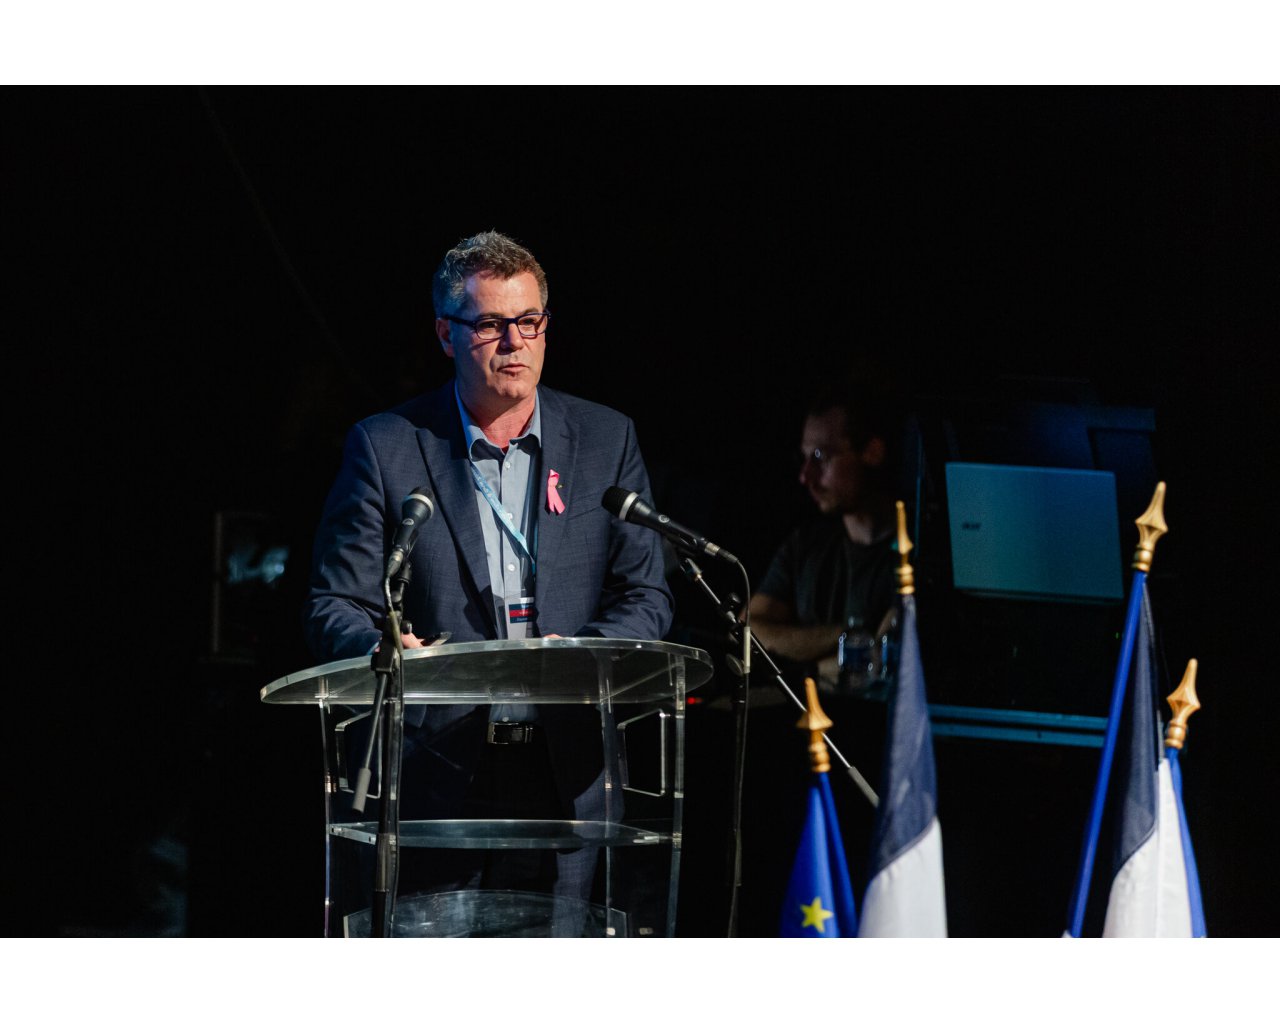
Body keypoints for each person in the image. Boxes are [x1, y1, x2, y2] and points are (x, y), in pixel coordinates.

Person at [303, 230, 672, 916]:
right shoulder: (386, 447)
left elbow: (646, 593)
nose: (515, 342)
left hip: (568, 773)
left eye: (530, 321)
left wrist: (585, 655)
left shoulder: (605, 438)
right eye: (491, 325)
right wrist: (383, 648)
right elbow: (335, 604)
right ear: (446, 334)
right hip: (435, 770)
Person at [748, 382, 900, 689]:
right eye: (805, 457)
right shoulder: (805, 545)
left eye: (821, 456)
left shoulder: (914, 556)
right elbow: (747, 632)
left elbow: (879, 663)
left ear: (872, 451)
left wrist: (798, 667)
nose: (806, 476)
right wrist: (849, 635)